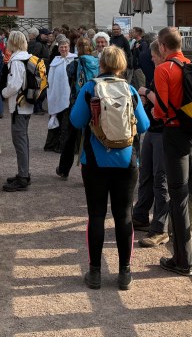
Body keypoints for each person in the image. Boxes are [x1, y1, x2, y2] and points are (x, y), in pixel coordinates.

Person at [70, 45, 150, 291]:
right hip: (126, 161)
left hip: (95, 160)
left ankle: (95, 273)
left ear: (101, 64)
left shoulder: (90, 87)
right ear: (122, 66)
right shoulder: (130, 89)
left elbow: (76, 120)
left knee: (96, 215)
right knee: (124, 215)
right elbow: (145, 124)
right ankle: (124, 273)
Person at [152, 27, 192, 276]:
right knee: (184, 188)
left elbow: (161, 109)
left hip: (175, 133)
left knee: (178, 197)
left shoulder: (164, 69)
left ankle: (183, 260)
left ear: (163, 47)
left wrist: (152, 107)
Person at [132, 40, 170, 248]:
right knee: (146, 173)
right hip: (154, 130)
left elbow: (164, 104)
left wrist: (147, 93)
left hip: (164, 132)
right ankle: (140, 215)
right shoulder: (158, 71)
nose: (151, 59)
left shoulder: (165, 71)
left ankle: (160, 228)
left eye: (154, 56)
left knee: (160, 180)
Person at [56, 38, 99, 180]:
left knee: (71, 137)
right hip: (94, 103)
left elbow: (70, 82)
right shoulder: (98, 62)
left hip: (78, 103)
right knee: (92, 137)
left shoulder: (74, 64)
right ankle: (91, 170)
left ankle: (64, 169)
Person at [1, 30, 34, 192]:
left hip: (19, 104)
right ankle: (24, 172)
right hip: (27, 102)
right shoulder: (27, 57)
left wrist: (3, 93)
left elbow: (14, 85)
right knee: (23, 139)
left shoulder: (16, 60)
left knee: (19, 140)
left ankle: (23, 176)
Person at [44, 36, 75, 152]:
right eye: (61, 47)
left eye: (65, 47)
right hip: (57, 94)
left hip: (68, 95)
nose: (64, 49)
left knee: (66, 121)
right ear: (59, 49)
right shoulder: (55, 61)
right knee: (57, 117)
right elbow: (51, 80)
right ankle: (52, 143)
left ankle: (62, 145)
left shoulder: (74, 59)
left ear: (69, 47)